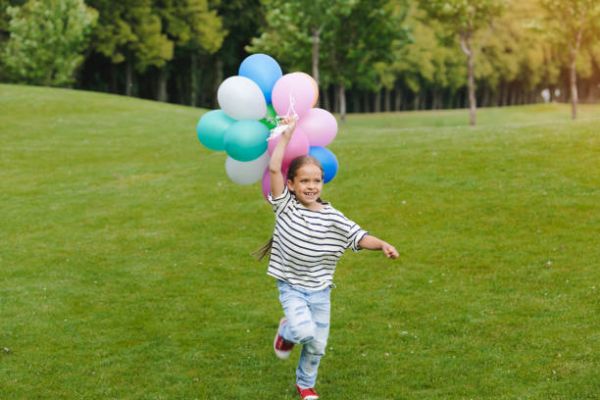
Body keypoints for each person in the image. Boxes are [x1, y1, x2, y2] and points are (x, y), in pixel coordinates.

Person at [259, 116, 399, 400]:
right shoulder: (285, 207)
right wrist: (286, 134)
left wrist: (381, 243)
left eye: (316, 181)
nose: (311, 186)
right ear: (292, 184)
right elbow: (274, 167)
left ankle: (305, 386)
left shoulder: (333, 217)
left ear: (323, 183)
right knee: (303, 331)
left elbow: (359, 236)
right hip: (292, 287)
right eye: (304, 181)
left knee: (317, 345)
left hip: (321, 291)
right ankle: (286, 330)